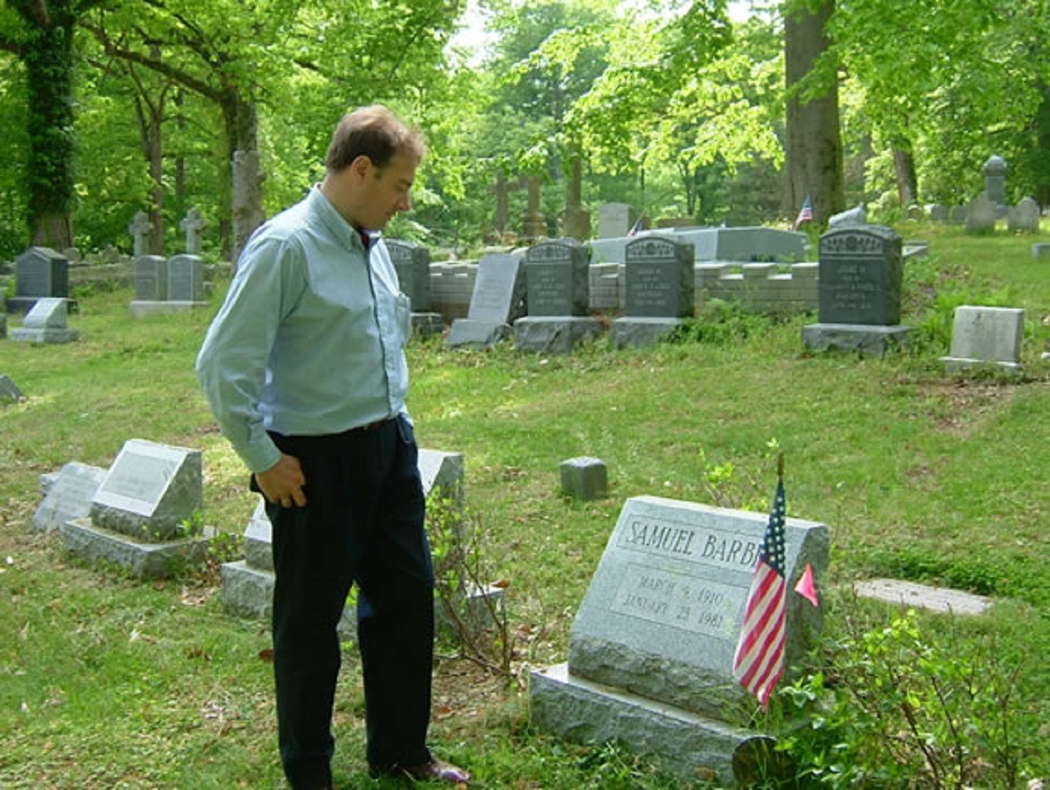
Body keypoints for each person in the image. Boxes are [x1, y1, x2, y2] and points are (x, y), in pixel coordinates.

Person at [196, 105, 470, 789]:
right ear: (359, 170)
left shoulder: (368, 243)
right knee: (310, 626)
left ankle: (401, 752)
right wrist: (261, 458)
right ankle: (310, 773)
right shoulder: (286, 247)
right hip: (312, 465)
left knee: (406, 605)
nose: (405, 202)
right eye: (400, 185)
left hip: (388, 450)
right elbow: (221, 363)